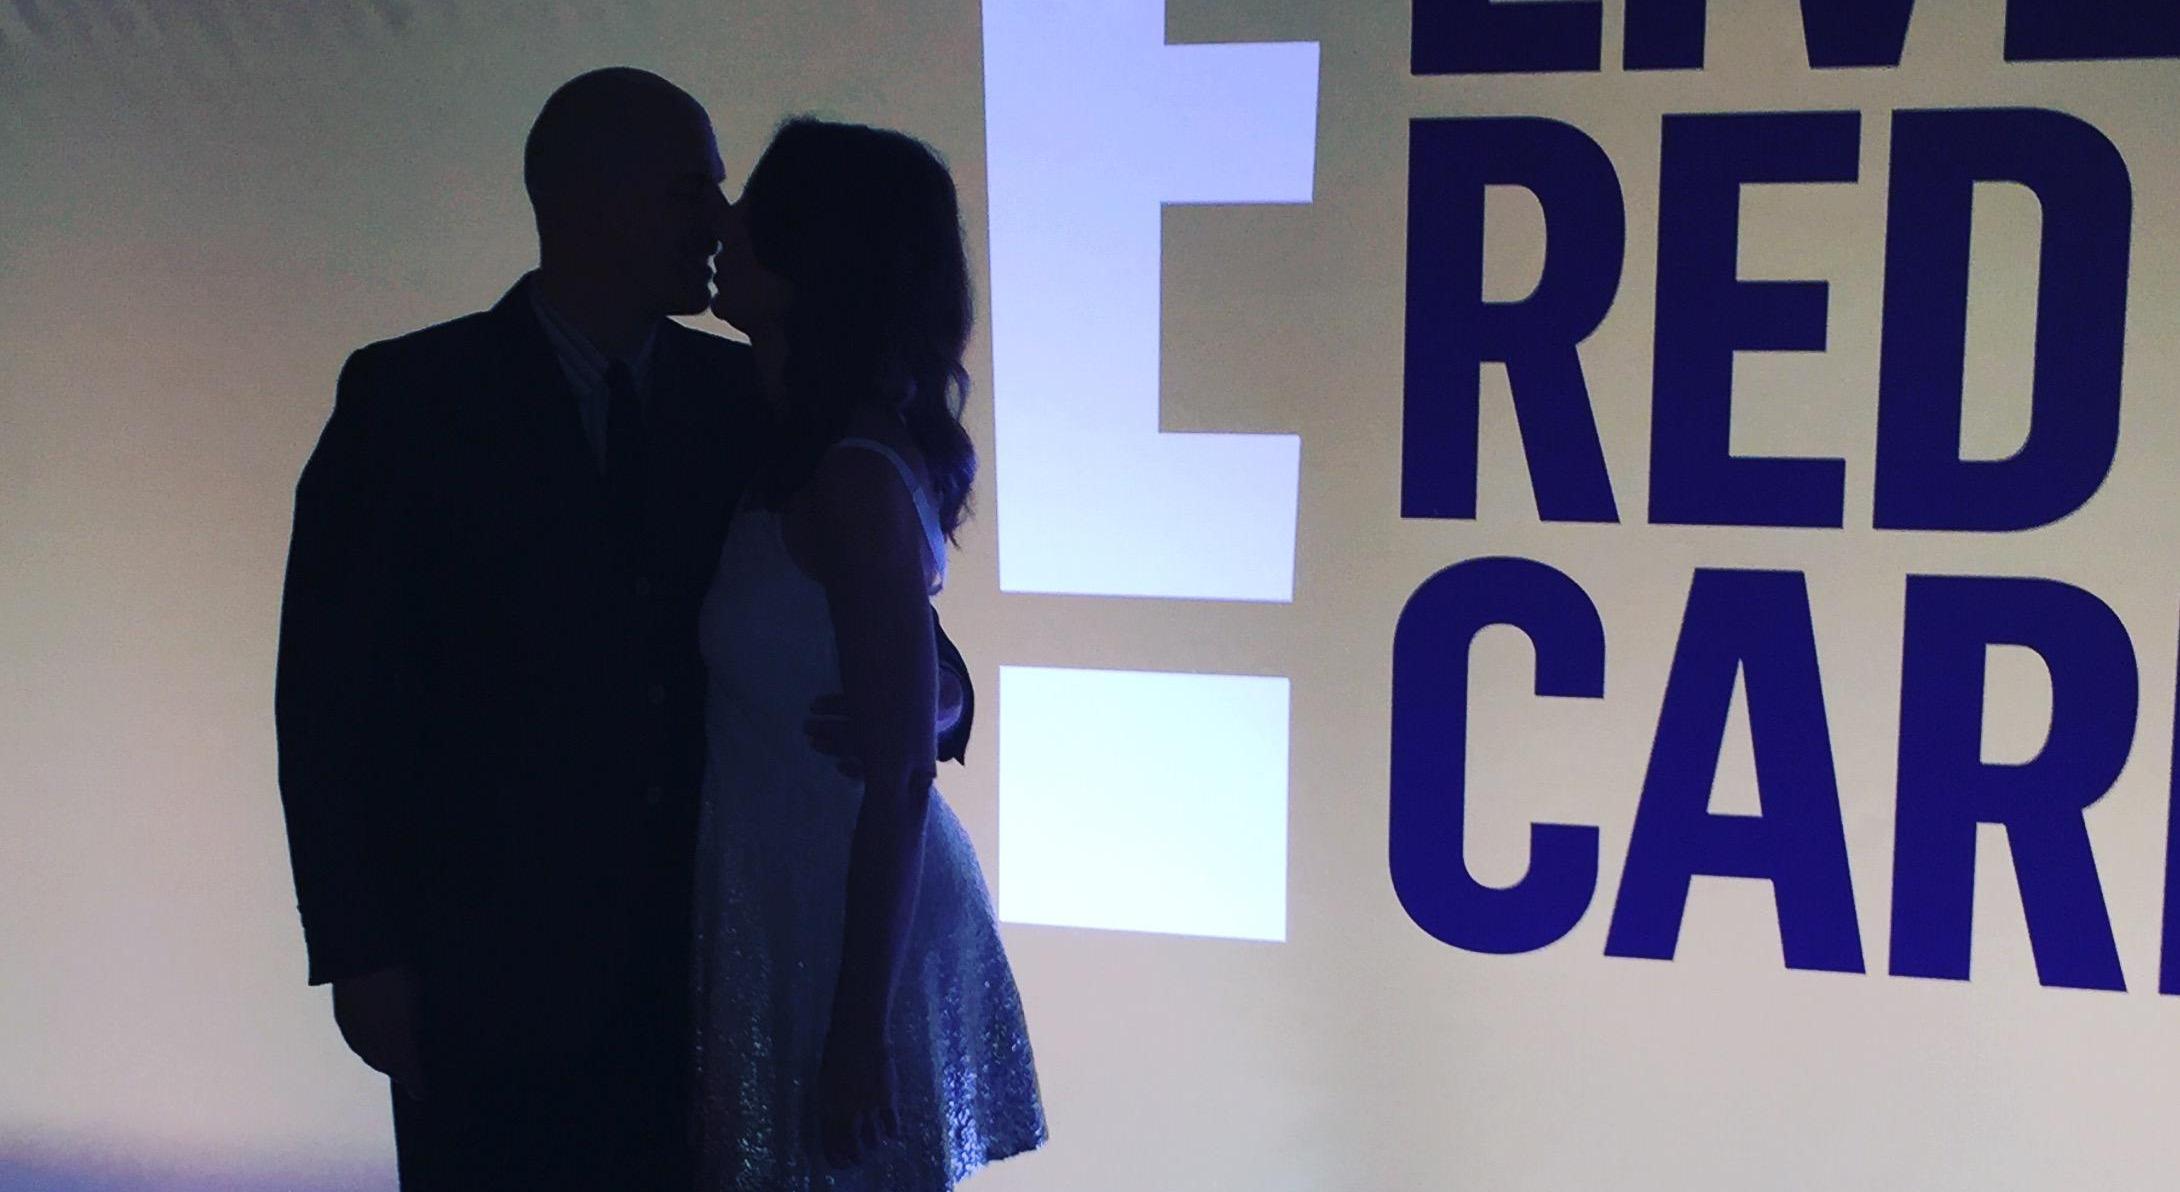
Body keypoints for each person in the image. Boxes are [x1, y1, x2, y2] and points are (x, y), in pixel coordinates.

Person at [273, 71, 973, 1190]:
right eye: (691, 188)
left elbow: (873, 610)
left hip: (704, 961)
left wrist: (941, 697)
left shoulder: (750, 395)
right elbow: (327, 696)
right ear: (587, 198)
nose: (720, 219)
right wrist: (361, 951)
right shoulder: (407, 399)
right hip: (485, 969)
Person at [691, 117, 1047, 1189]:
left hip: (844, 917)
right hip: (795, 893)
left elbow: (897, 780)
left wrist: (857, 1031)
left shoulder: (849, 473)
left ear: (819, 255)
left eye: (756, 211)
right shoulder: (801, 438)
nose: (725, 225)